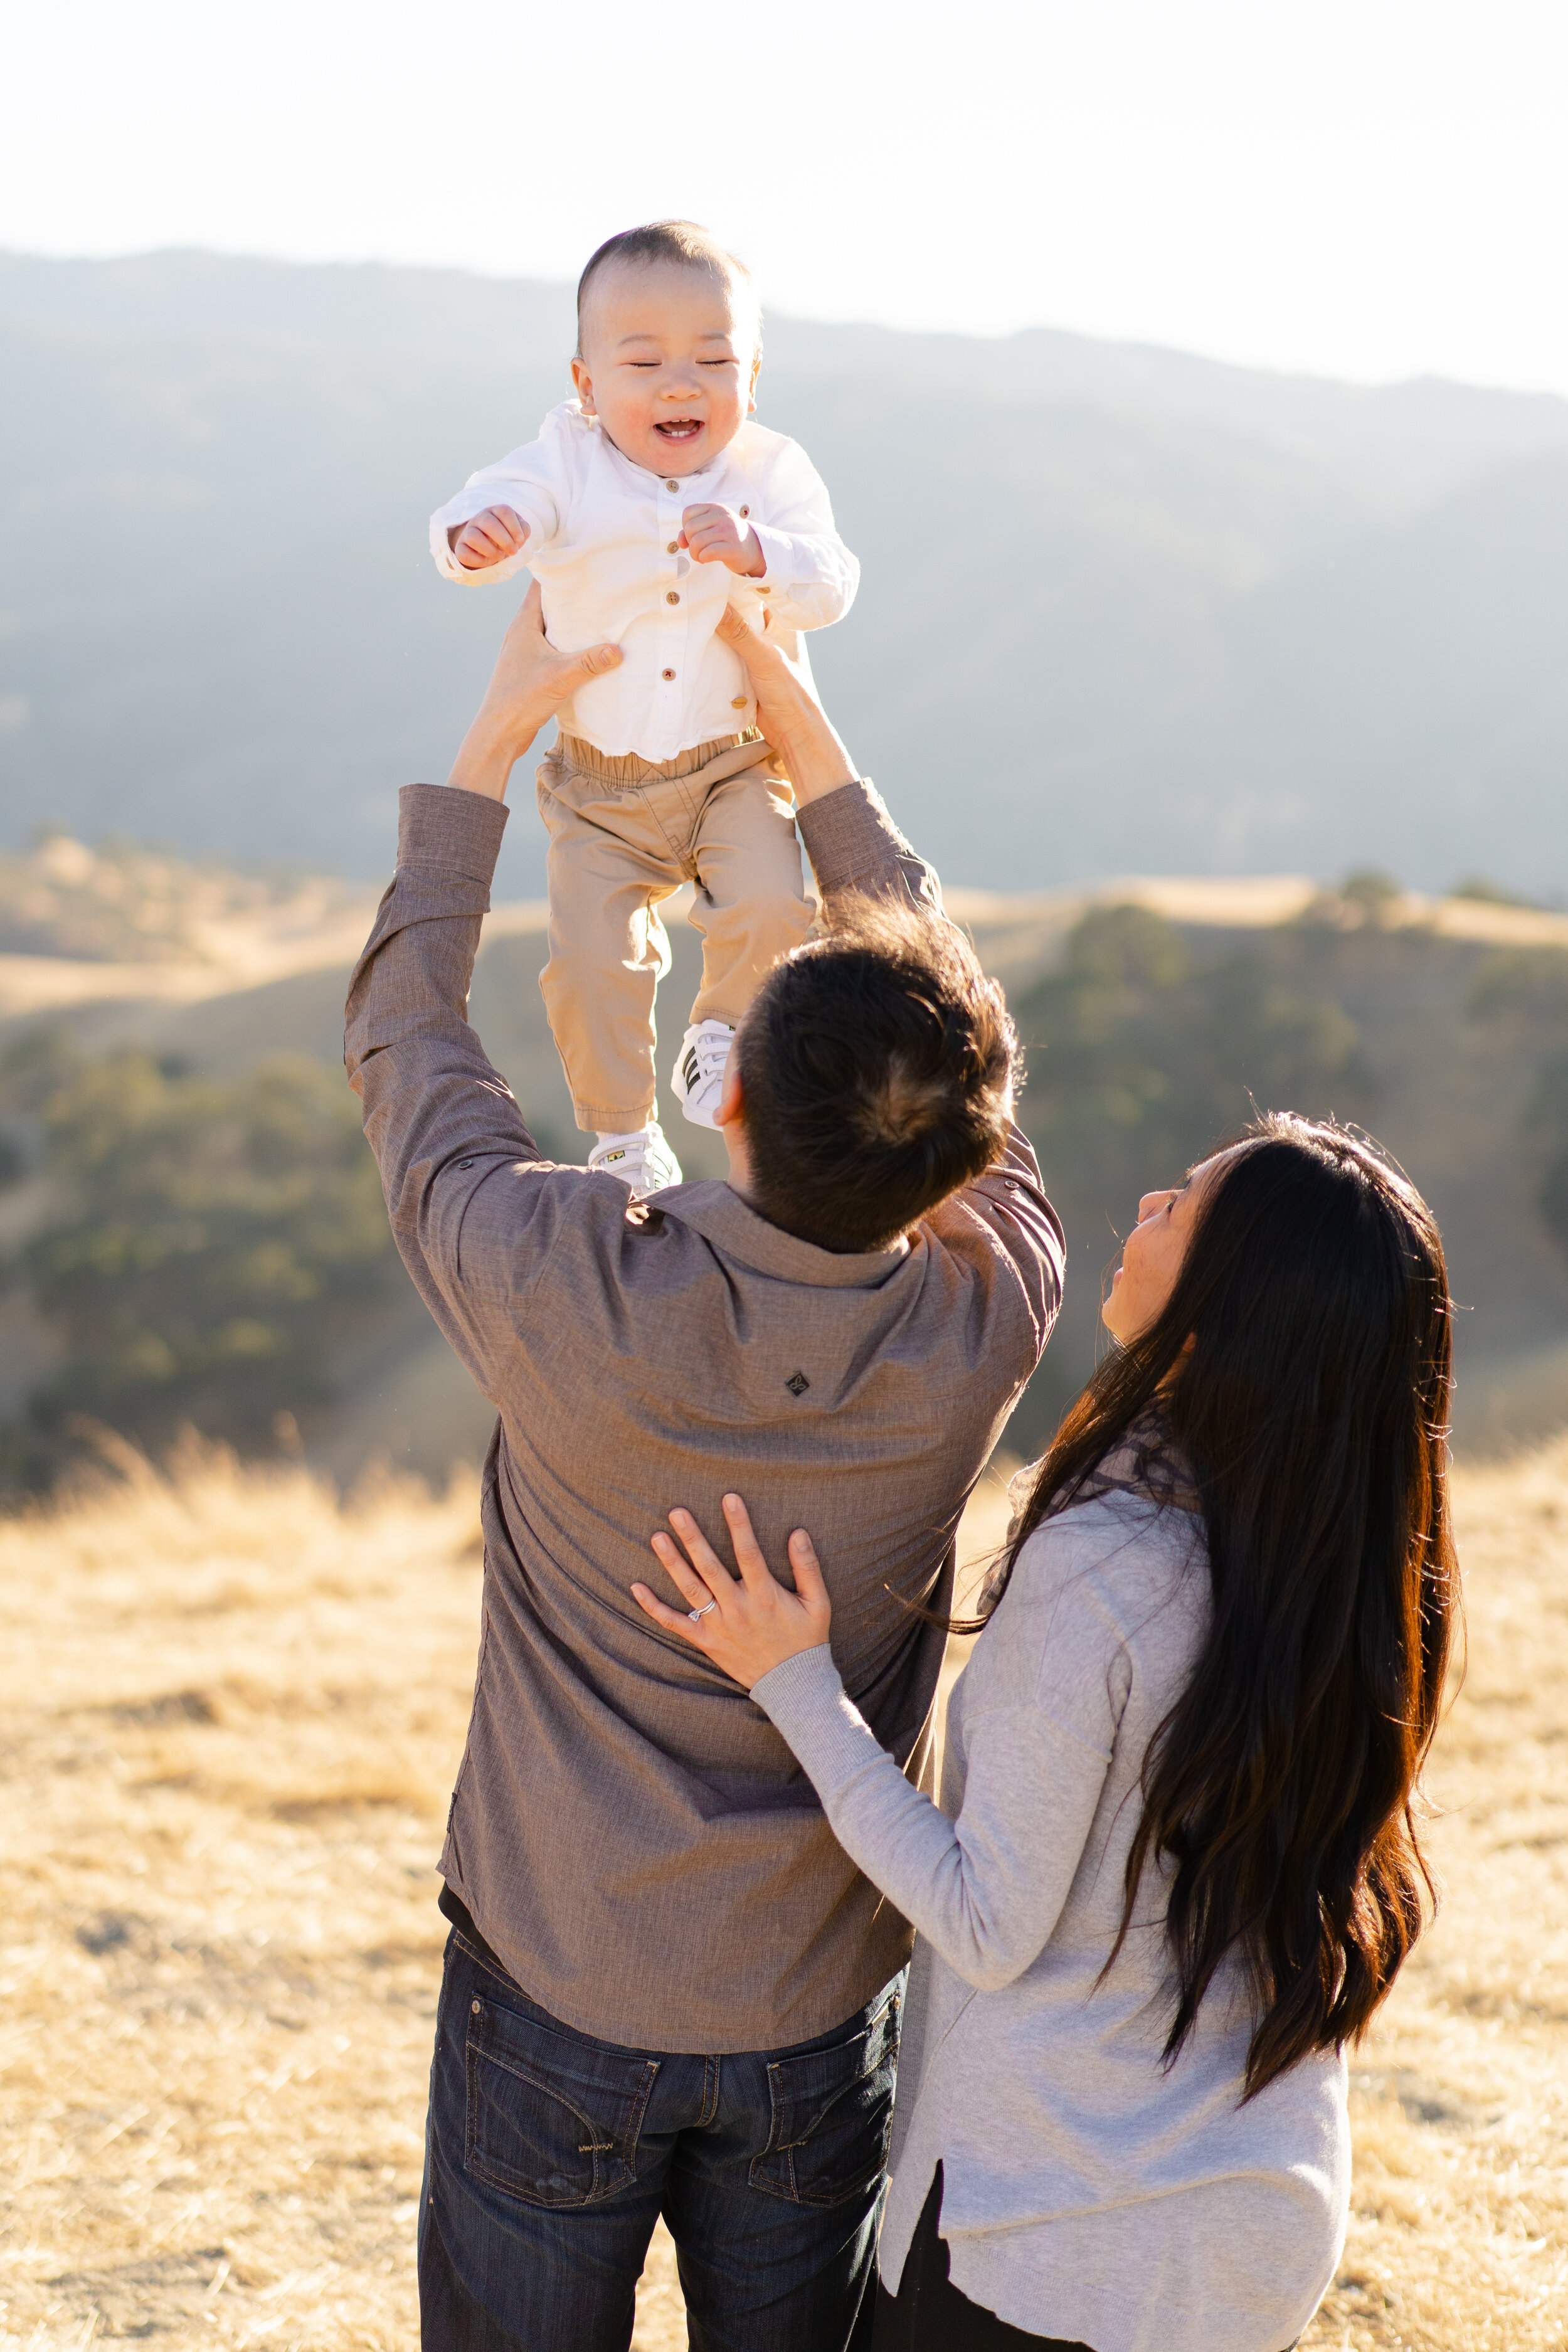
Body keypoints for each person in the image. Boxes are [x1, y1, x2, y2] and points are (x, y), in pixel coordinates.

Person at [344, 586, 1064, 2349]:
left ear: (722, 1093)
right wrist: (807, 741)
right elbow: (963, 1081)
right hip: (816, 2006)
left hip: (555, 1977)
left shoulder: (561, 1276)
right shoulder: (989, 1315)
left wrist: (490, 753)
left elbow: (409, 1046)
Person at [638, 1118, 1459, 2352]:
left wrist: (794, 1683)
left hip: (1046, 2248)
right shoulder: (1349, 1580)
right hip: (1252, 2236)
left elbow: (982, 1921)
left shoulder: (1103, 1569)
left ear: (1230, 1299)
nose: (1142, 1203)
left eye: (1179, 1205)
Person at [429, 219, 859, 1194]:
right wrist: (478, 535)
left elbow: (831, 584)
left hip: (732, 763)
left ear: (753, 376)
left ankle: (722, 1029)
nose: (681, 384)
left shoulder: (773, 476)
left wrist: (761, 552)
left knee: (774, 904)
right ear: (586, 386)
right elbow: (495, 505)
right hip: (599, 784)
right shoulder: (566, 462)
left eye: (714, 358)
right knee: (591, 962)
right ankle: (622, 1132)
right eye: (644, 360)